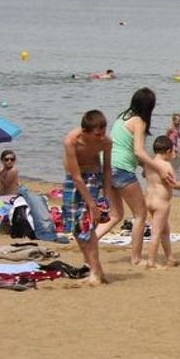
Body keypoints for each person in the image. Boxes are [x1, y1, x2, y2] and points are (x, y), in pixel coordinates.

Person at [96, 87, 174, 265]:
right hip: (122, 170)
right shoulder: (139, 122)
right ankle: (136, 257)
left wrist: (146, 167)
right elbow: (138, 151)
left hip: (106, 167)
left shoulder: (121, 118)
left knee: (115, 215)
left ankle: (91, 240)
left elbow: (126, 150)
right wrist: (158, 168)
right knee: (140, 214)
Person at [61, 110, 113, 285]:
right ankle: (96, 269)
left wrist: (105, 197)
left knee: (87, 225)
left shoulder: (106, 142)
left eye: (103, 132)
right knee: (75, 227)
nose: (101, 137)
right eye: (97, 134)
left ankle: (95, 274)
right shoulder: (71, 141)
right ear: (86, 131)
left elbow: (107, 169)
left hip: (92, 177)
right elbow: (75, 176)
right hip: (74, 178)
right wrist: (91, 204)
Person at [143, 135, 180, 269]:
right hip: (161, 203)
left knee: (165, 231)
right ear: (168, 151)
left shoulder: (149, 163)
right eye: (173, 151)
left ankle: (170, 258)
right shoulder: (166, 165)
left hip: (149, 200)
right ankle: (151, 261)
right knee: (157, 232)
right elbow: (174, 184)